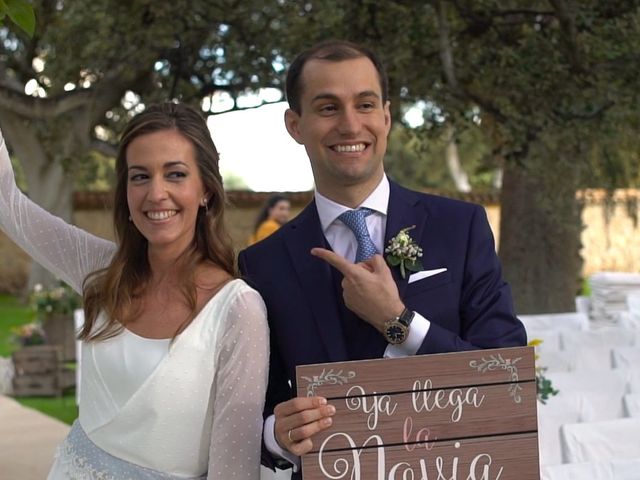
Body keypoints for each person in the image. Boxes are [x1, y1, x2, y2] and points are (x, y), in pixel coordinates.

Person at [237, 40, 527, 478]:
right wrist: (277, 434)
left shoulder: (460, 227)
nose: (351, 125)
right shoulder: (263, 263)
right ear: (295, 124)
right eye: (328, 107)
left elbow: (505, 377)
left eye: (365, 104)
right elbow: (254, 413)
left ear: (387, 117)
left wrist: (398, 321)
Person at [0, 102, 269, 479]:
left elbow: (235, 470)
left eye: (175, 174)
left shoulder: (238, 309)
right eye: (140, 177)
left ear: (206, 189)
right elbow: (9, 205)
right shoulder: (101, 271)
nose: (156, 193)